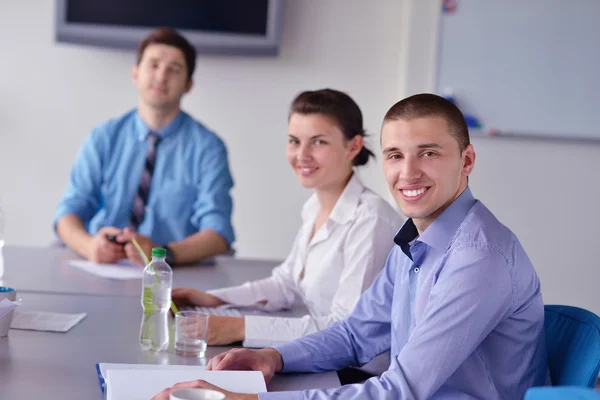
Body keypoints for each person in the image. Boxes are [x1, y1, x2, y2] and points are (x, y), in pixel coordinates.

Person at [154, 93, 550, 400]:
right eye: (395, 155)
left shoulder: (477, 258)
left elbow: (400, 390)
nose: (407, 172)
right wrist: (273, 357)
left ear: (467, 160)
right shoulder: (417, 238)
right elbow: (356, 335)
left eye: (428, 153)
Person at [171, 89, 402, 354]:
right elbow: (287, 284)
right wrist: (213, 299)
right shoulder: (316, 206)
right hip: (319, 354)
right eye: (294, 141)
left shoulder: (371, 221)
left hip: (356, 372)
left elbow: (346, 328)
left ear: (353, 146)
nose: (301, 155)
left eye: (318, 142)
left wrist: (238, 328)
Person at [54, 27, 235, 266]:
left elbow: (218, 232)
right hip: (100, 267)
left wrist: (162, 254)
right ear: (135, 73)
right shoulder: (103, 137)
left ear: (188, 84)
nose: (161, 76)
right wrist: (89, 247)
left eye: (174, 69)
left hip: (172, 274)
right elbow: (68, 212)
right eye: (154, 65)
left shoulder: (208, 148)